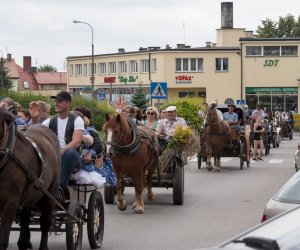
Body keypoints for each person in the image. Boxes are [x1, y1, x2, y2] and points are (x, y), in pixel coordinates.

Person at [42, 91, 84, 199]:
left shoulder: (77, 120)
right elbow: (38, 136)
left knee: (69, 153)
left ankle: (61, 187)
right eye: (55, 101)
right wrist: (33, 119)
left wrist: (61, 151)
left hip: (72, 157)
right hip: (53, 156)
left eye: (59, 101)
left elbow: (77, 141)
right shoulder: (48, 121)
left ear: (68, 103)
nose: (56, 104)